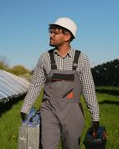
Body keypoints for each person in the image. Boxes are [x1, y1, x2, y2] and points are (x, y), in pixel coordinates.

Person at [20, 17, 100, 149]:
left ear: (67, 36)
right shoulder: (44, 57)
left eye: (55, 33)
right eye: (50, 32)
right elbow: (35, 85)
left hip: (72, 111)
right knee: (47, 146)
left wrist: (95, 116)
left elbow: (88, 88)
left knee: (71, 146)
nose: (50, 35)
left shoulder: (81, 58)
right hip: (49, 110)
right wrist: (25, 108)